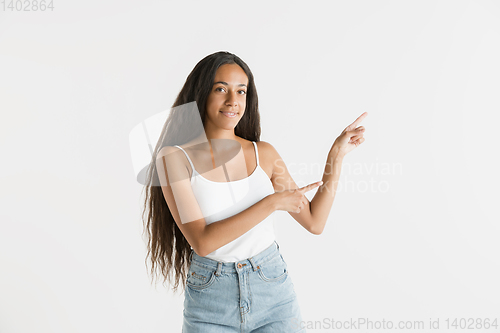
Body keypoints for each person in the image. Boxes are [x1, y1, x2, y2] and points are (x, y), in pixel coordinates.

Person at [142, 51, 367, 332]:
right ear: (201, 93)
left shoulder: (265, 154)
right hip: (211, 300)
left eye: (241, 91)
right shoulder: (173, 159)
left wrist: (336, 155)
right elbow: (202, 242)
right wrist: (271, 203)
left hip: (272, 290)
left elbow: (314, 222)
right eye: (221, 89)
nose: (232, 101)